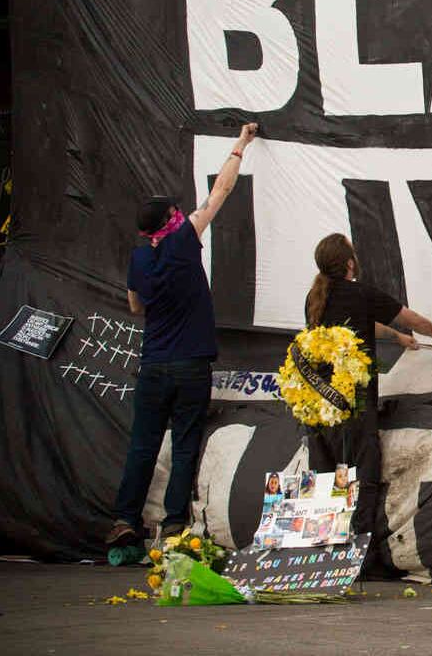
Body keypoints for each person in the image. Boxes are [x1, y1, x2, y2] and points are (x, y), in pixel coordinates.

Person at [105, 123, 259, 548]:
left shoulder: (140, 259)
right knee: (186, 444)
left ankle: (124, 520)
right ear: (171, 220)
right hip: (190, 363)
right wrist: (241, 143)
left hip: (153, 362)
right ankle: (174, 524)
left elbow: (137, 306)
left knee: (143, 444)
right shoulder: (186, 239)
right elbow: (220, 194)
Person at [304, 233, 432, 539]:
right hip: (354, 402)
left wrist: (396, 338)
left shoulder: (314, 297)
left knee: (324, 475)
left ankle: (323, 547)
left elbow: (363, 321)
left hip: (318, 401)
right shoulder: (360, 293)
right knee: (364, 473)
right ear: (350, 262)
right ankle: (359, 549)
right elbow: (409, 316)